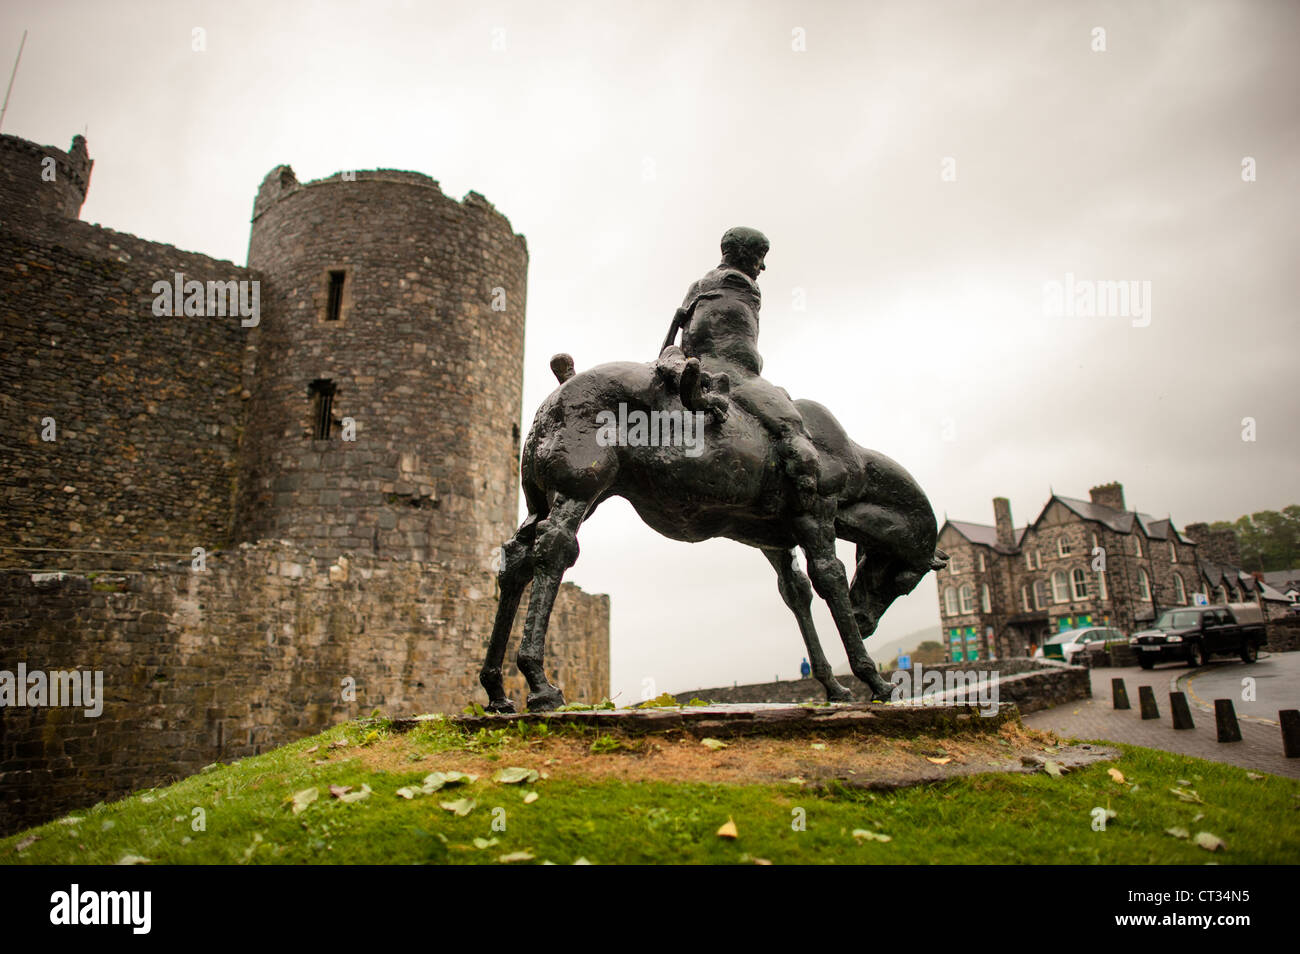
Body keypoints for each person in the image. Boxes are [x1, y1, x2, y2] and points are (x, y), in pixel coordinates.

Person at [659, 227, 819, 511]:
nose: (763, 266)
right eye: (760, 257)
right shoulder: (744, 284)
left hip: (693, 360)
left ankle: (679, 373)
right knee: (791, 425)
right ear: (745, 254)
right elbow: (740, 349)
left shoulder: (698, 285)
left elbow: (677, 324)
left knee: (670, 355)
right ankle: (805, 492)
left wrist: (665, 353)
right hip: (736, 373)